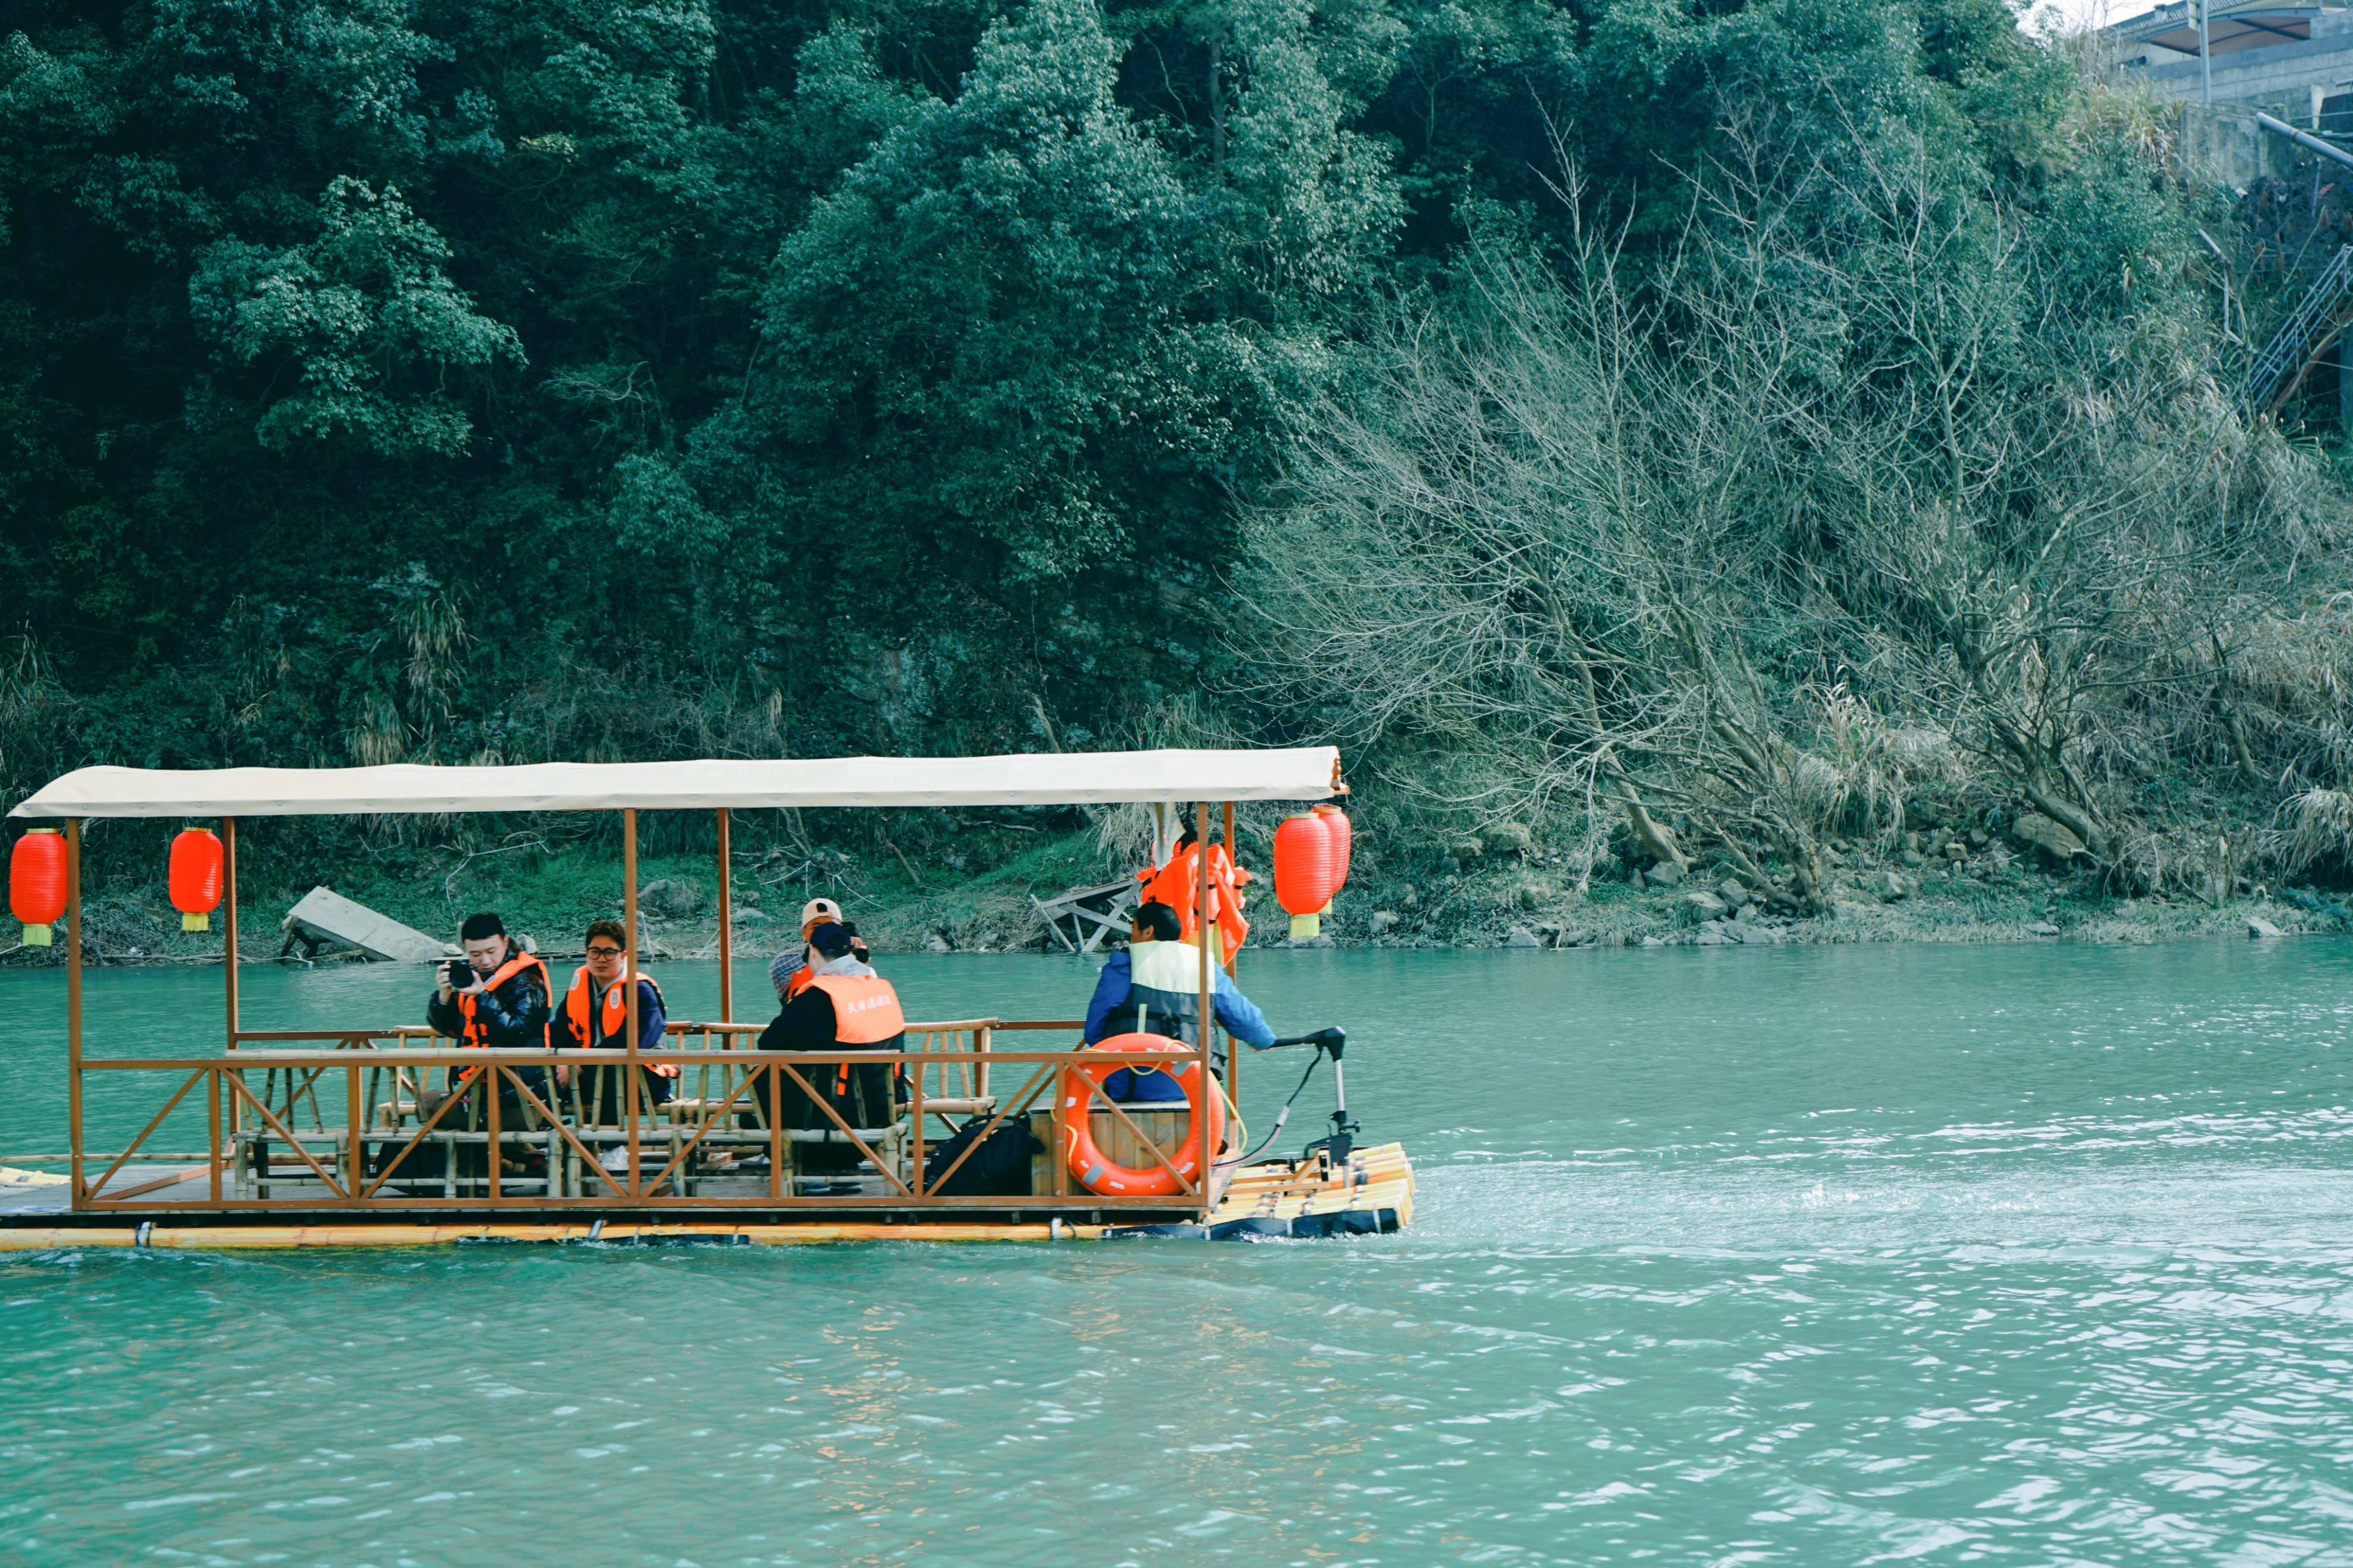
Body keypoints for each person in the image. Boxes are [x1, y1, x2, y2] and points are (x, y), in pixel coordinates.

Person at [1083, 901, 1276, 1101]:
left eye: (1134, 929)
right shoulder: (1205, 965)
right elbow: (1242, 1014)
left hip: (1131, 1087)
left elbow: (1094, 1031)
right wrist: (1263, 1040)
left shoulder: (1123, 967)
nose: (1131, 937)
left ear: (1148, 931)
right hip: (1196, 1087)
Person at [759, 921, 905, 1170]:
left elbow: (769, 1042)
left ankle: (800, 1162)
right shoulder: (882, 988)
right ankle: (845, 1165)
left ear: (812, 953)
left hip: (832, 1116)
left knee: (766, 1073)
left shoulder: (820, 995)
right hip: (884, 1106)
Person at [422, 912, 551, 1147]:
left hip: (520, 1093)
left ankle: (507, 1163)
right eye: (475, 954)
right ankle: (515, 1162)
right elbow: (449, 1029)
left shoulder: (528, 979)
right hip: (480, 1089)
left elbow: (520, 1031)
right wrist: (443, 998)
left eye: (491, 952)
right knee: (426, 1102)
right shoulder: (470, 976)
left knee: (429, 1107)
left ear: (505, 942)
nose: (485, 961)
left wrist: (483, 996)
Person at [554, 918, 675, 1127]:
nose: (601, 959)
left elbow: (637, 1041)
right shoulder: (579, 986)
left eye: (609, 952)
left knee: (605, 1072)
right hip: (589, 1072)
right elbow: (560, 1029)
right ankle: (554, 1143)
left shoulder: (640, 990)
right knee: (542, 1072)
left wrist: (581, 1065)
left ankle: (613, 1149)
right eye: (595, 952)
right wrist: (560, 1061)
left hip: (644, 1078)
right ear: (586, 952)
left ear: (623, 955)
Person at [1136, 829, 1251, 959]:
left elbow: (1183, 906)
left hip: (1185, 937)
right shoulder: (1212, 867)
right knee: (1211, 971)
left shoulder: (1180, 868)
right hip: (1212, 932)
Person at [775, 898, 869, 1001]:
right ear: (804, 933)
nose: (825, 934)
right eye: (816, 928)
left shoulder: (856, 955)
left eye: (831, 927)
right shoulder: (784, 963)